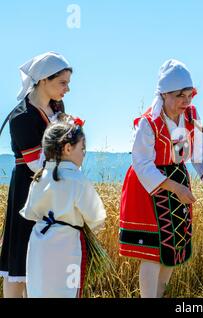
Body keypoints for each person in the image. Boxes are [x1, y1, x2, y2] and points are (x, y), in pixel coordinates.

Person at [119, 59, 203, 298]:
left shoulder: (192, 115)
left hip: (177, 177)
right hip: (148, 185)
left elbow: (199, 148)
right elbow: (141, 162)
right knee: (153, 252)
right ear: (163, 95)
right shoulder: (148, 123)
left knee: (172, 248)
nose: (186, 101)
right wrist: (173, 187)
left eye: (189, 95)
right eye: (179, 95)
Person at [0, 52, 72, 298]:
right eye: (62, 82)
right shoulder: (22, 116)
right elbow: (36, 164)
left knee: (43, 262)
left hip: (53, 189)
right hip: (28, 191)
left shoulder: (57, 109)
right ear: (43, 79)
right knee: (20, 260)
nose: (67, 89)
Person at [19, 116, 106, 298]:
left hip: (39, 243)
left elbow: (30, 212)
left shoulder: (39, 177)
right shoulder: (77, 179)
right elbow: (96, 216)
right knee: (67, 289)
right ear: (67, 148)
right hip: (68, 245)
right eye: (82, 148)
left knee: (40, 288)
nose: (84, 153)